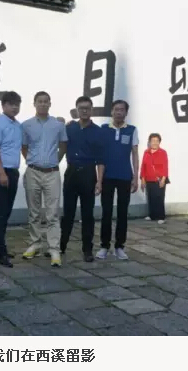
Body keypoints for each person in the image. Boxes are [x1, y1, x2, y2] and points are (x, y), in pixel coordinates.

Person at [21, 92, 68, 267]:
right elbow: (24, 147)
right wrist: (32, 161)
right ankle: (35, 243)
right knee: (34, 211)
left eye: (45, 101)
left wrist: (55, 160)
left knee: (52, 213)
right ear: (34, 104)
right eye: (39, 101)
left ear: (50, 104)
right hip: (33, 171)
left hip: (52, 173)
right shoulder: (26, 125)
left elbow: (63, 145)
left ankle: (53, 248)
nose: (42, 104)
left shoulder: (58, 125)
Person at [60, 96, 104, 263]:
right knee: (68, 213)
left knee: (87, 214)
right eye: (81, 108)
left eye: (87, 108)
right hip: (71, 172)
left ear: (91, 110)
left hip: (88, 173)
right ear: (77, 110)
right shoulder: (69, 128)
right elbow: (61, 146)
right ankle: (61, 246)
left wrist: (99, 181)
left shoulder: (97, 131)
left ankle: (87, 249)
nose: (84, 111)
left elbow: (101, 159)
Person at [96, 100, 139, 260]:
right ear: (111, 112)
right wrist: (99, 180)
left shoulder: (131, 130)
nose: (118, 112)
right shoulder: (104, 129)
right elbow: (100, 155)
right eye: (116, 109)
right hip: (107, 176)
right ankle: (104, 246)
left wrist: (135, 177)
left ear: (126, 112)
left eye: (122, 110)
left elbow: (135, 154)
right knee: (106, 212)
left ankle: (120, 246)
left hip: (125, 176)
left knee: (122, 213)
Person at [0, 92, 22, 268]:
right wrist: (1, 173)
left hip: (13, 171)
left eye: (17, 104)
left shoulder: (18, 125)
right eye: (11, 104)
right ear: (3, 105)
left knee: (6, 211)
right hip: (0, 171)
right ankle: (0, 252)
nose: (15, 107)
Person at [141, 133, 169, 224]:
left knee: (159, 198)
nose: (155, 143)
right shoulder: (146, 152)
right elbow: (143, 166)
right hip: (149, 178)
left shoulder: (163, 152)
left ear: (159, 142)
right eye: (153, 141)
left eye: (157, 141)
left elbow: (165, 166)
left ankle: (161, 216)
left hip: (160, 179)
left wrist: (163, 179)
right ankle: (152, 215)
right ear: (149, 142)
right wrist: (142, 179)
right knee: (150, 197)